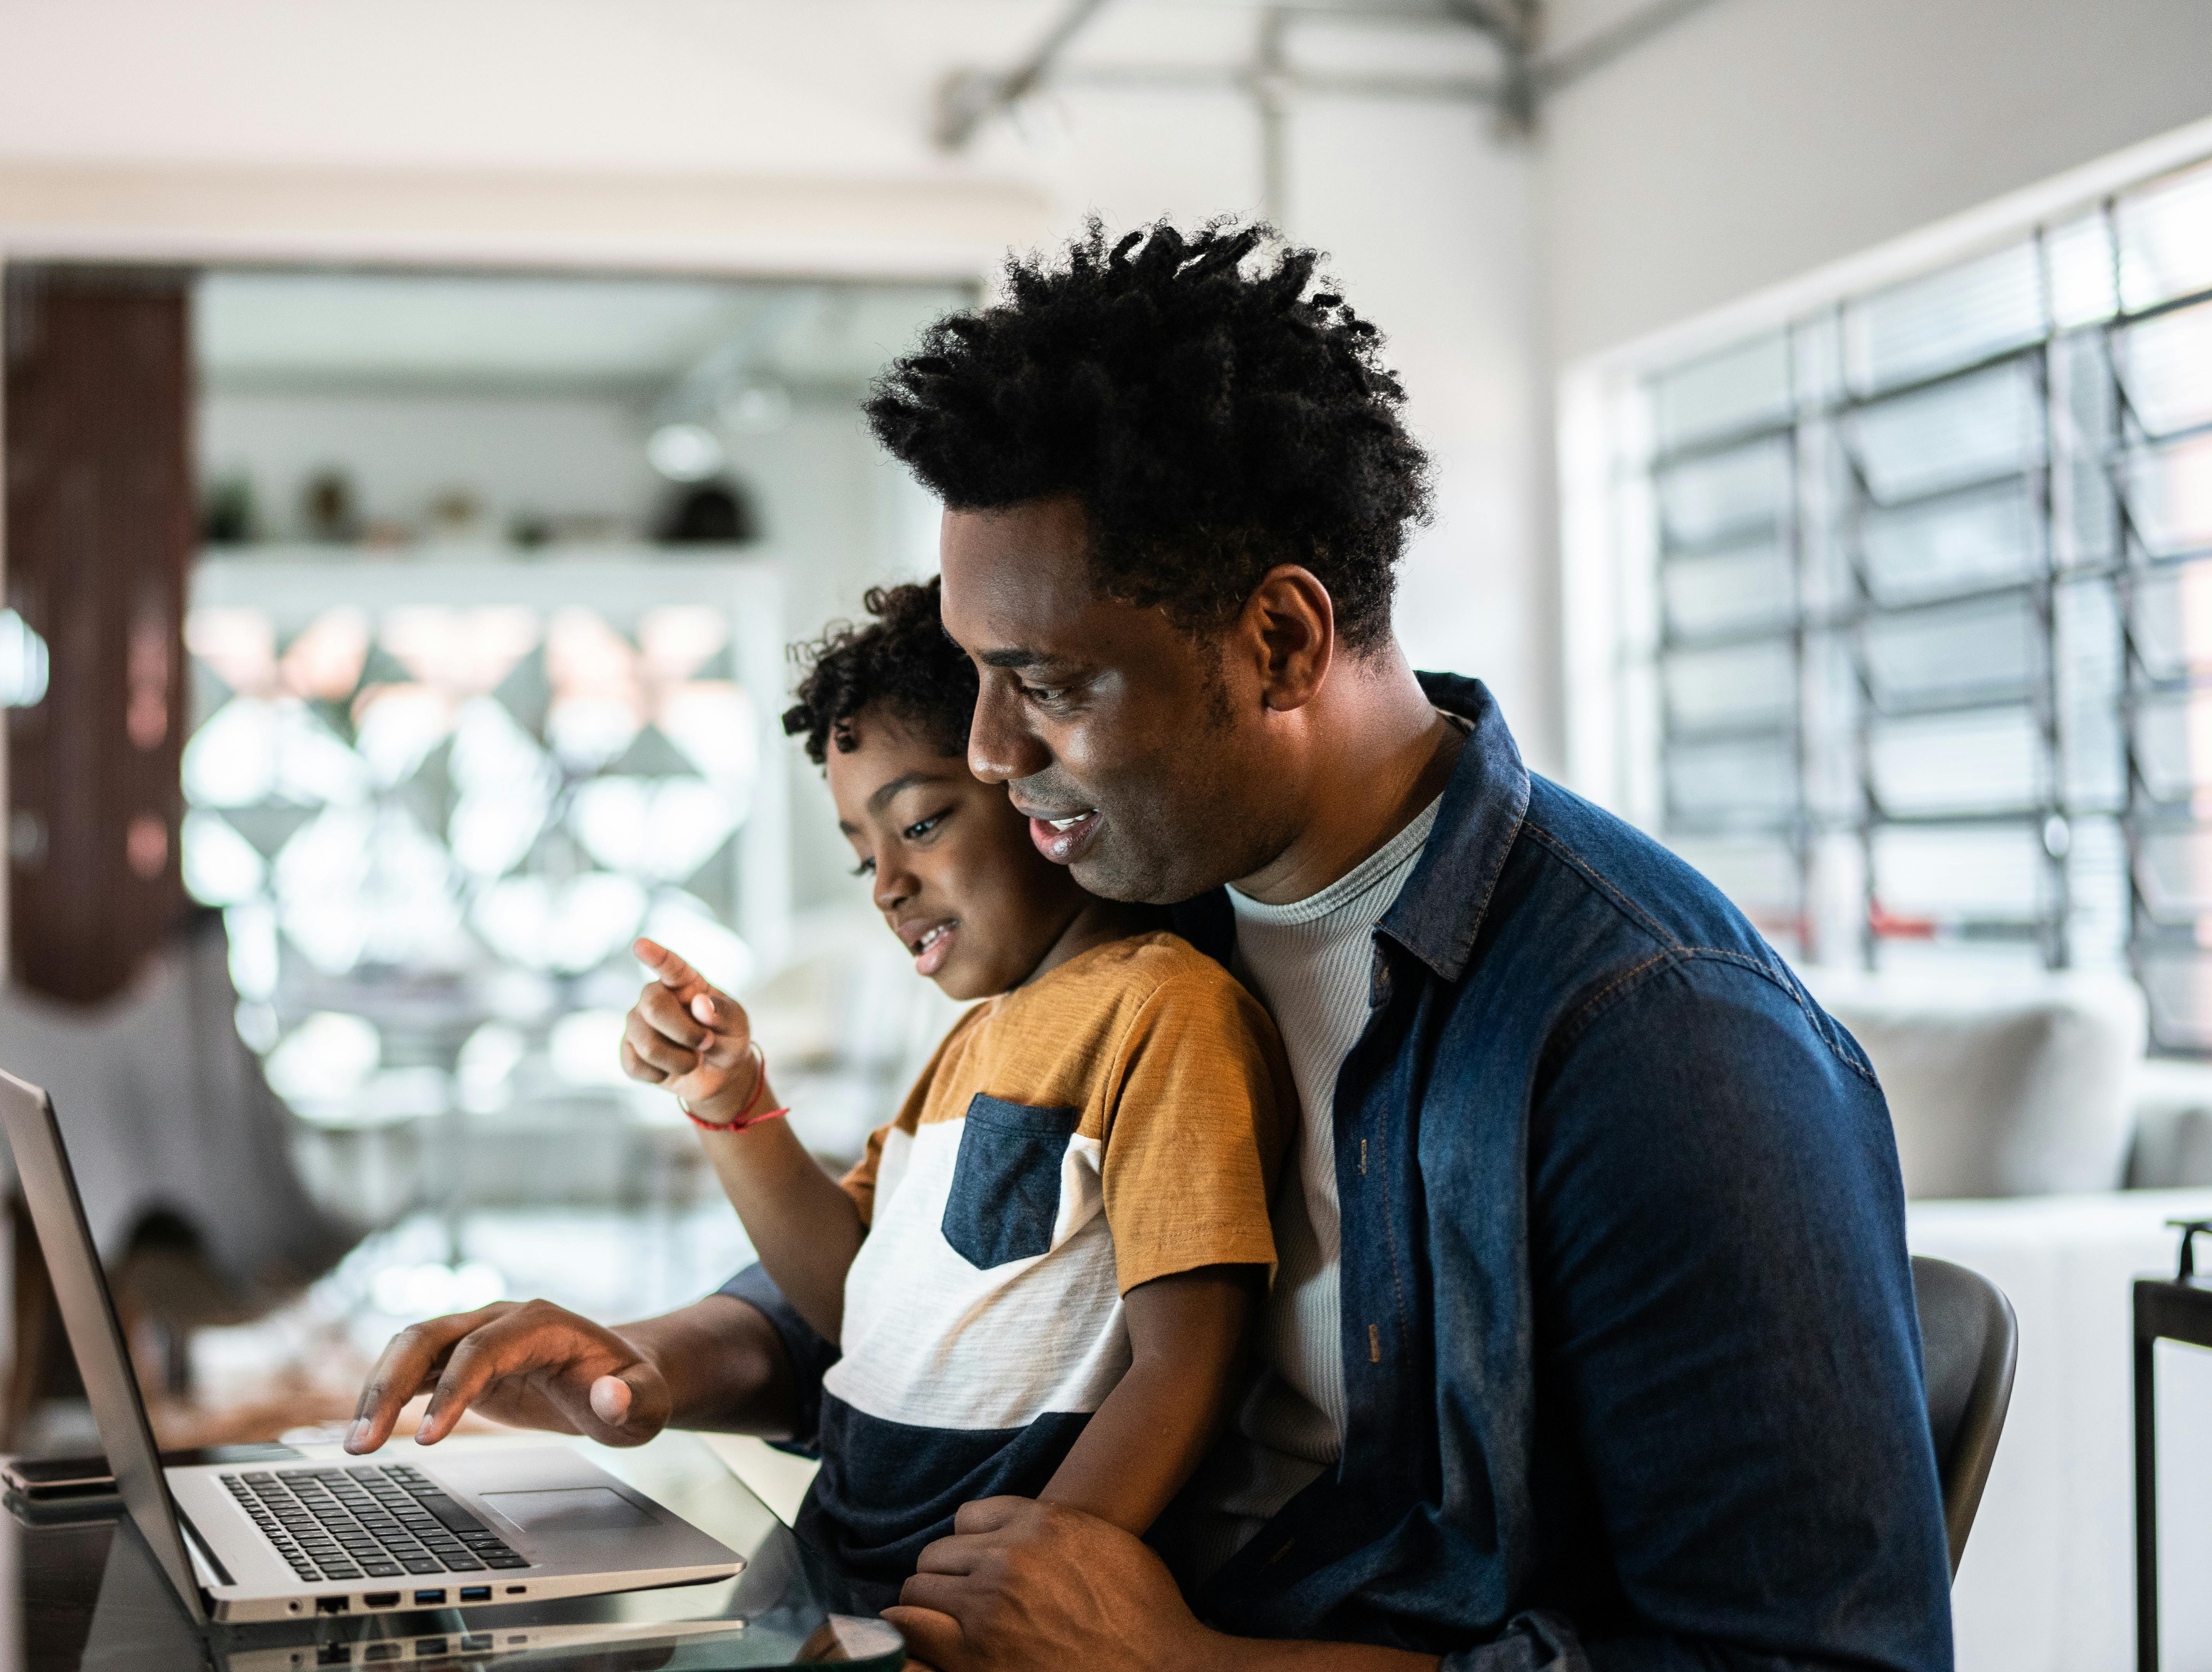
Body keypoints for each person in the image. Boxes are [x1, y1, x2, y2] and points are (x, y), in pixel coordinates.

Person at [345, 219, 1951, 1672]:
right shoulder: (1132, 904)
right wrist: (647, 1359)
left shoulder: (1651, 1038)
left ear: (1279, 640)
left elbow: (1815, 1665)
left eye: (1044, 684)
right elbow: (939, 1283)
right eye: (975, 675)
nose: (981, 754)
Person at [608, 580, 1294, 1610]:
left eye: (921, 824)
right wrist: (728, 1098)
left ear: (1034, 783)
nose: (886, 882)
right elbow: (853, 1300)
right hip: (831, 1565)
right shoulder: (969, 1044)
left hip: (968, 1607)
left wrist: (1039, 1576)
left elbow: (1189, 1361)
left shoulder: (1163, 1009)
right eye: (861, 860)